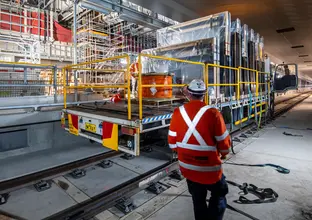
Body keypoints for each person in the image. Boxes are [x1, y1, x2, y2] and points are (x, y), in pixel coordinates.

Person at [168, 79, 231, 220]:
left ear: (188, 94)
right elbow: (224, 144)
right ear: (204, 94)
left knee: (198, 200)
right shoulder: (213, 113)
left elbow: (172, 144)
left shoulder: (178, 112)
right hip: (210, 170)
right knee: (220, 193)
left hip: (188, 169)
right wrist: (224, 154)